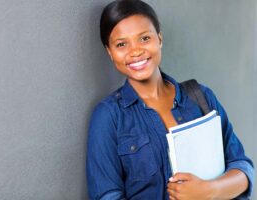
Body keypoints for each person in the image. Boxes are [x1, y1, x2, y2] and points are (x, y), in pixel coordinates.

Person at [86, 0, 255, 199]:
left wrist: (210, 190)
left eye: (144, 38)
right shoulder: (108, 116)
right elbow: (107, 195)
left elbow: (242, 168)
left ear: (159, 39)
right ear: (110, 52)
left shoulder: (201, 96)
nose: (135, 51)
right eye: (121, 44)